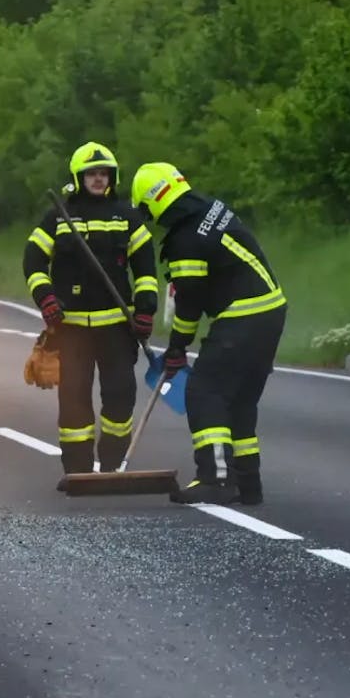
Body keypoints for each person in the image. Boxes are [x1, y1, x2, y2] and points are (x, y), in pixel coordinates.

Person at [130, 162, 286, 506]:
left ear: (152, 203)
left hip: (242, 315)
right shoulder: (211, 209)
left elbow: (189, 303)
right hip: (271, 310)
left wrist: (176, 348)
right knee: (240, 400)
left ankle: (216, 479)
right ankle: (248, 483)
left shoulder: (185, 240)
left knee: (205, 391)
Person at [22, 142, 158, 488]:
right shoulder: (58, 217)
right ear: (79, 177)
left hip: (116, 326)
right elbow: (33, 260)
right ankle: (79, 470)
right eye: (91, 174)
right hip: (71, 330)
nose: (98, 179)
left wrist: (145, 310)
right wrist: (47, 298)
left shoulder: (127, 216)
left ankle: (112, 465)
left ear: (111, 177)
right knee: (74, 400)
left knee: (120, 395)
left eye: (103, 174)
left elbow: (145, 268)